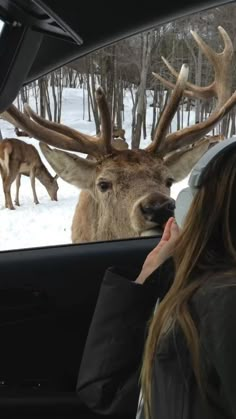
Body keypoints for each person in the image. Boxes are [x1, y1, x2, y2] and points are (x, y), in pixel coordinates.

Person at [76, 138, 236, 419]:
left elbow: (106, 394)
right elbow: (114, 394)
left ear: (196, 209)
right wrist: (149, 276)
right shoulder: (207, 296)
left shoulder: (222, 305)